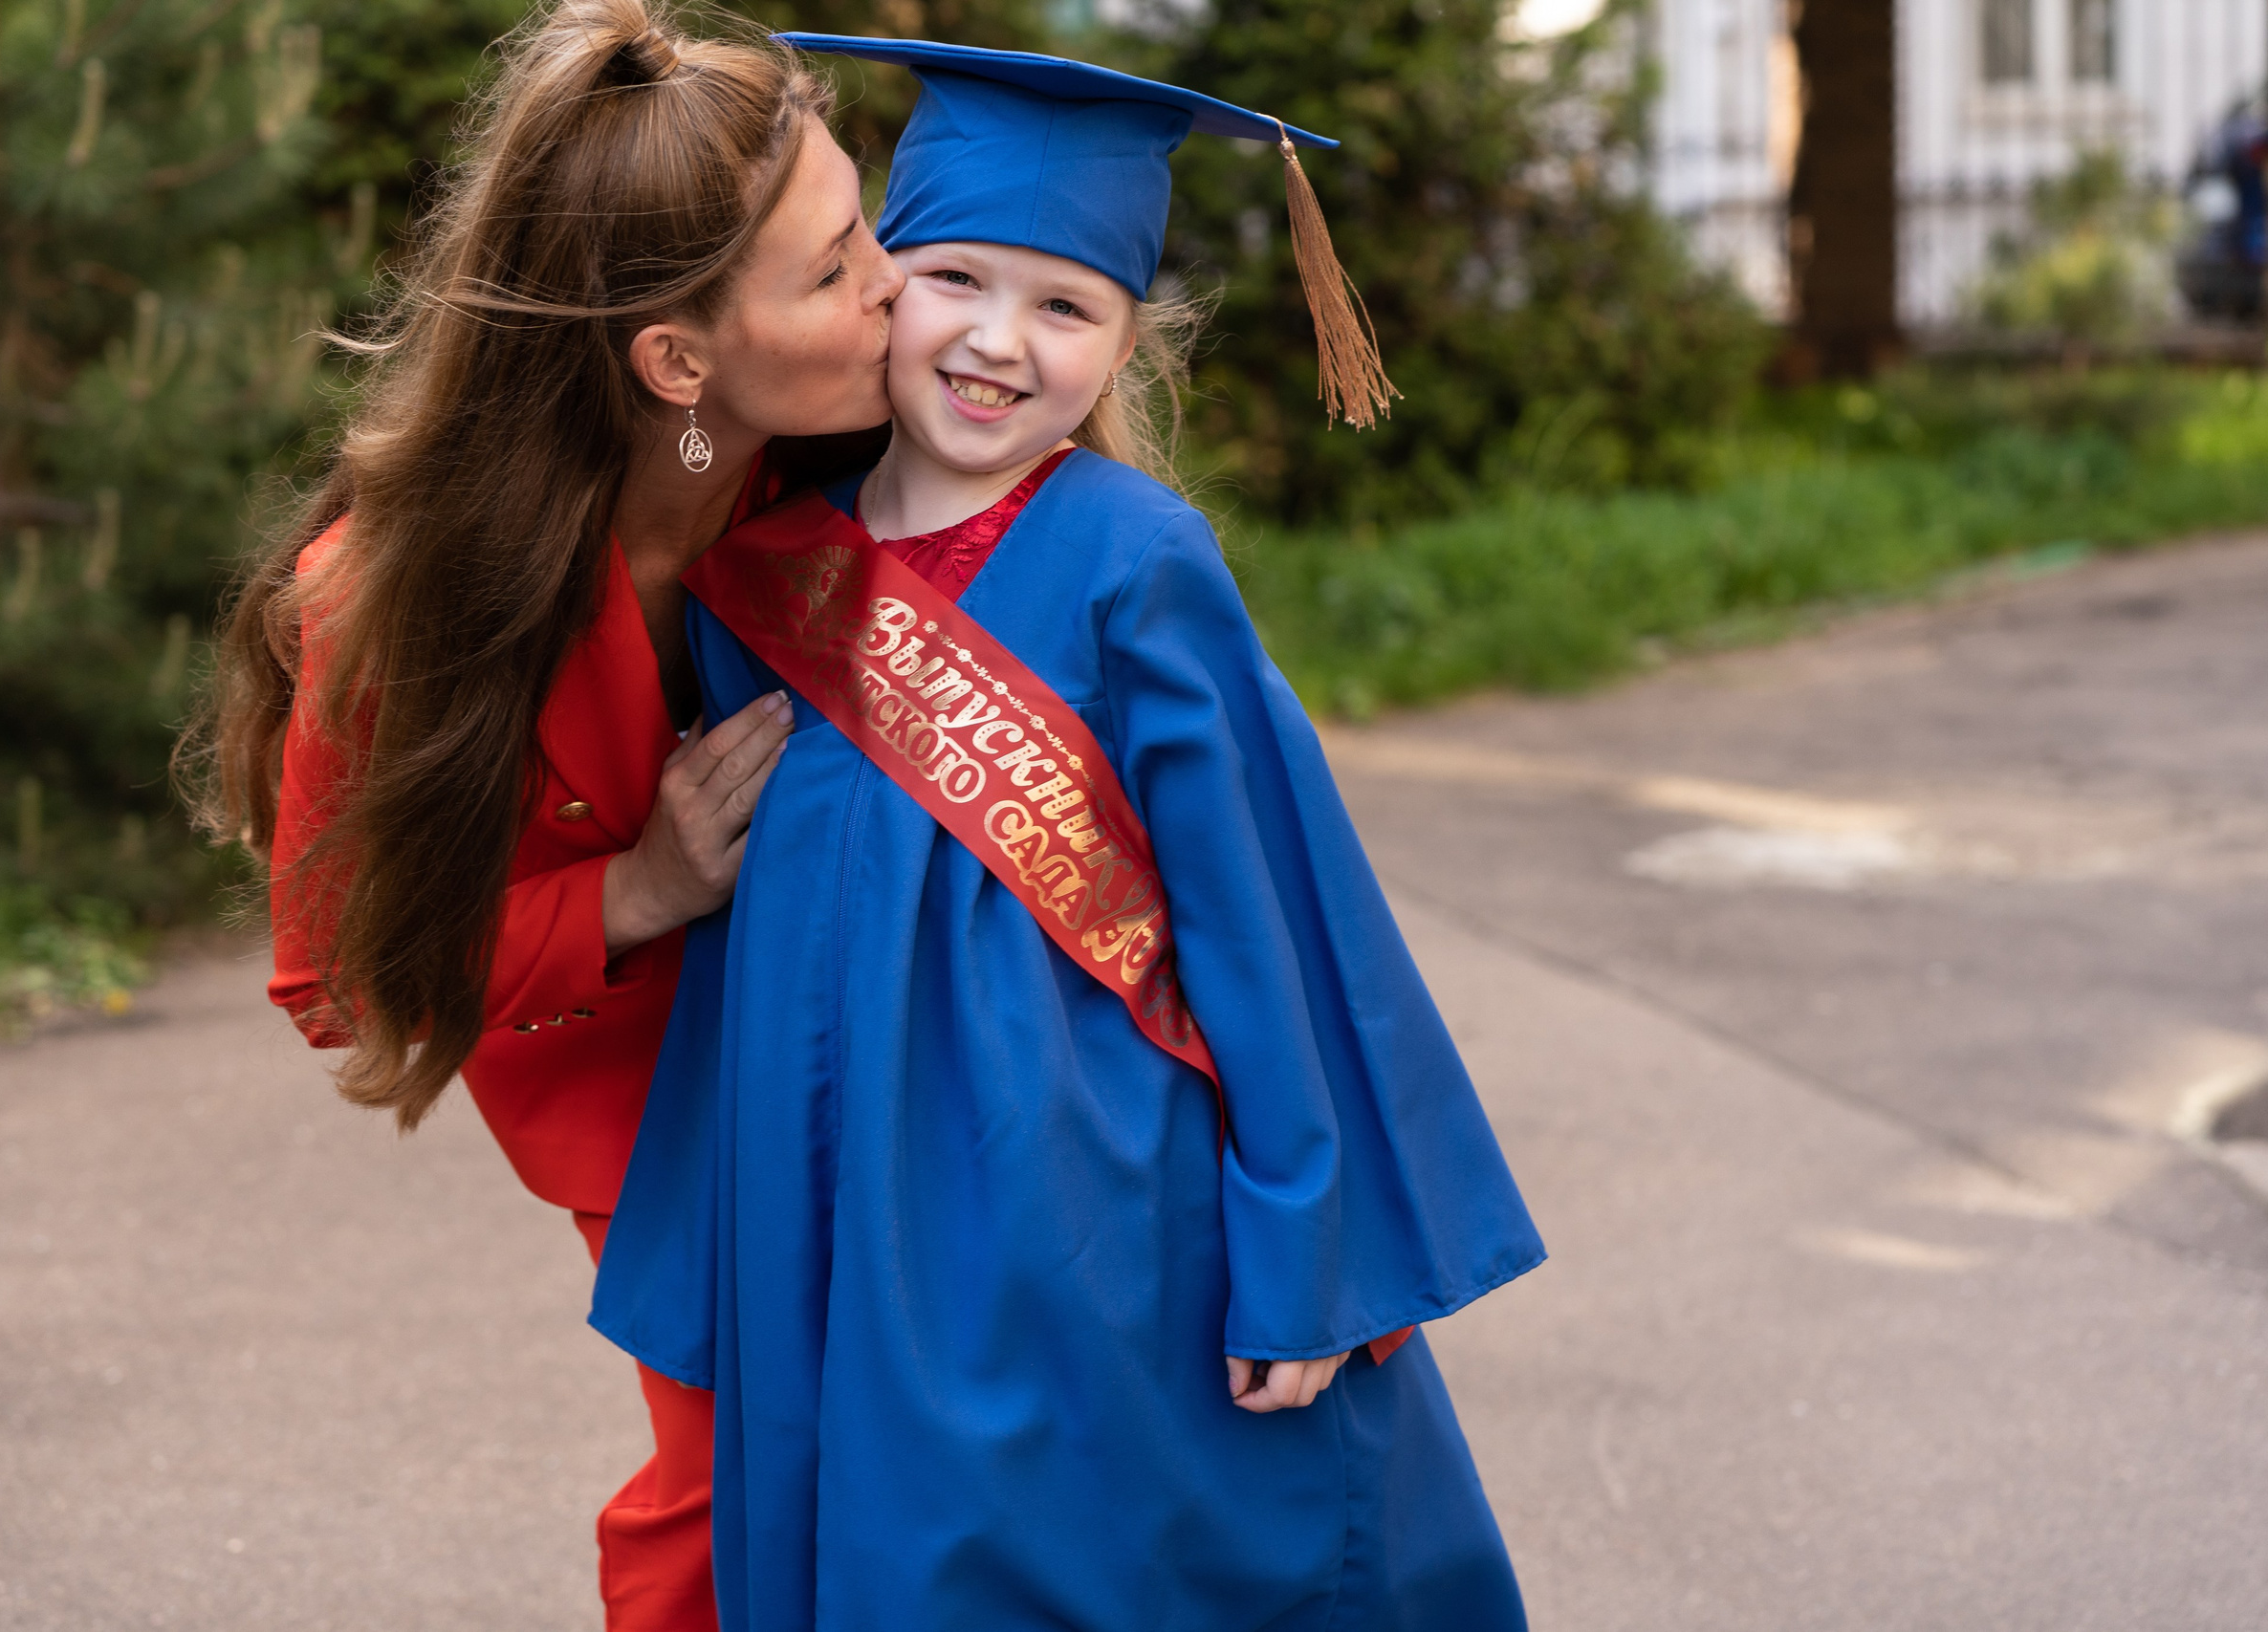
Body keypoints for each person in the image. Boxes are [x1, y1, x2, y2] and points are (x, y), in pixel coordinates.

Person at [589, 38, 1545, 1631]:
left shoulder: (1136, 562)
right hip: (839, 1201)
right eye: (956, 278)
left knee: (1097, 1555)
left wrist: (1302, 1242)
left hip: (1094, 1212)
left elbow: (1268, 919)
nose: (996, 343)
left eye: (1066, 307)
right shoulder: (770, 581)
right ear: (883, 283)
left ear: (1122, 345)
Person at [186, 6, 904, 1627]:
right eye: (833, 267)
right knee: (737, 1489)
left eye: (868, 225)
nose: (894, 283)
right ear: (676, 362)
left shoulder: (861, 451)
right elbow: (342, 979)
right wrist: (634, 892)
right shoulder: (392, 605)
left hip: (894, 1043)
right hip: (653, 1116)